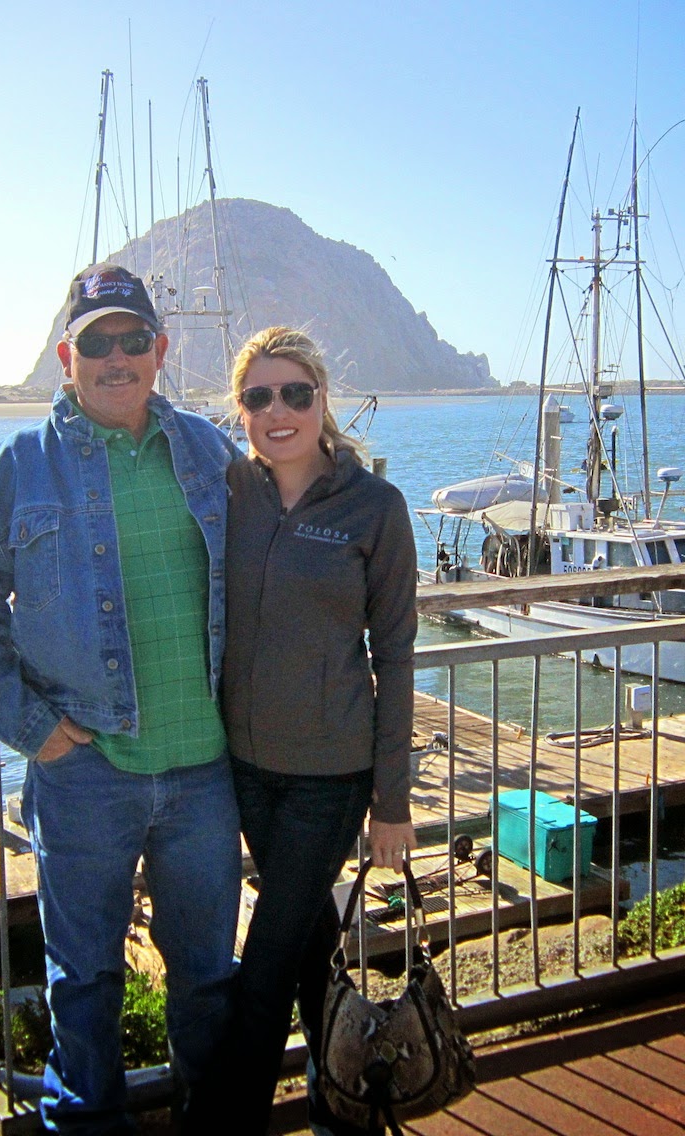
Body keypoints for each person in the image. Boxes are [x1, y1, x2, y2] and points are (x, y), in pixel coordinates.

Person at [0, 263, 242, 1136]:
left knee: (209, 973)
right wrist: (40, 732)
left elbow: (276, 571)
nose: (115, 357)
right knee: (86, 978)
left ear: (159, 351)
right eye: (95, 342)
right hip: (84, 774)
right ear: (66, 356)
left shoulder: (213, 454)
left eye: (131, 339)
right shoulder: (9, 473)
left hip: (204, 775)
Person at [221, 327, 418, 1135]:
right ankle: (351, 1108)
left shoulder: (374, 507)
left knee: (263, 968)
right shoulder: (229, 490)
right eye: (259, 396)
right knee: (306, 949)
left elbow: (398, 653)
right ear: (240, 410)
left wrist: (392, 801)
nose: (279, 411)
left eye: (295, 393)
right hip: (242, 769)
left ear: (322, 400)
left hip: (330, 777)